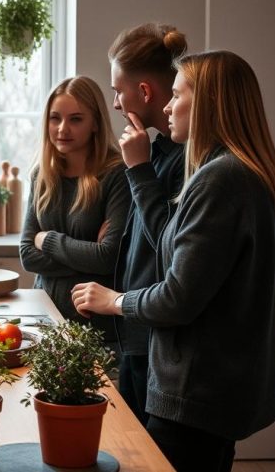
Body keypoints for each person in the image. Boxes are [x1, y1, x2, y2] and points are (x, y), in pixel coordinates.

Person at [72, 50, 275, 472]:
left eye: (176, 95)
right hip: (220, 391)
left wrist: (114, 301)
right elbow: (176, 252)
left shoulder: (222, 179)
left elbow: (178, 298)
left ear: (209, 104)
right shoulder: (243, 173)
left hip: (197, 394)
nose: (166, 106)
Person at [108, 23, 188, 425]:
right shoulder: (155, 149)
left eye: (118, 91)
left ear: (143, 92)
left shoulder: (185, 160)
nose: (117, 104)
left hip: (154, 334)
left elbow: (169, 247)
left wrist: (138, 170)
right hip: (136, 328)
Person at [19, 76, 130, 336]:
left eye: (76, 119)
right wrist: (86, 255)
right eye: (55, 118)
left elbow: (108, 259)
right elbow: (26, 253)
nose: (62, 129)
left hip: (95, 327)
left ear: (95, 123)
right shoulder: (42, 174)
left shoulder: (116, 175)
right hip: (43, 319)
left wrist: (47, 240)